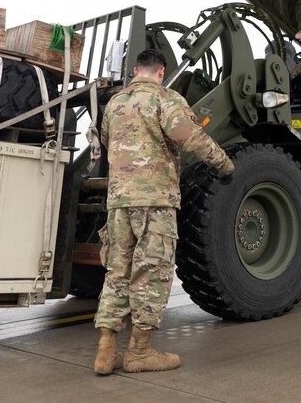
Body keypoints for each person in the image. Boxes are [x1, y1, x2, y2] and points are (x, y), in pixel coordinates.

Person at [93, 49, 235, 375]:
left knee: (117, 272)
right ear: (161, 72)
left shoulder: (114, 103)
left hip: (118, 203)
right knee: (151, 273)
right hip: (154, 201)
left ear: (134, 70)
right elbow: (191, 138)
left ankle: (105, 352)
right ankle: (139, 353)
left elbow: (105, 139)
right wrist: (226, 164)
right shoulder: (166, 98)